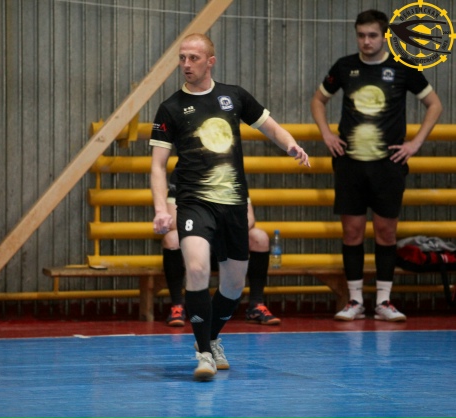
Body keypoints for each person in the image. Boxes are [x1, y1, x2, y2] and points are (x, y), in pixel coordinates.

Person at [150, 33, 310, 380]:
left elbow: (271, 128)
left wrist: (291, 145)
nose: (186, 64)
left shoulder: (233, 97)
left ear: (210, 61)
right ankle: (204, 353)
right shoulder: (170, 108)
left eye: (194, 58)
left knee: (234, 286)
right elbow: (158, 166)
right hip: (194, 202)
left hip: (233, 203)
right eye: (182, 58)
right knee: (196, 268)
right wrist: (161, 209)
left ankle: (211, 337)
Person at [310, 10, 442, 322]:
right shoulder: (345, 67)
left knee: (386, 232)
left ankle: (384, 301)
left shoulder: (403, 67)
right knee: (352, 232)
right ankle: (355, 301)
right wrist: (327, 134)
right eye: (361, 35)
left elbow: (434, 105)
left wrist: (415, 144)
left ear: (384, 37)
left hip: (388, 164)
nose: (366, 41)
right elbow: (318, 101)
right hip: (350, 164)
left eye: (372, 35)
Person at [163, 170, 280, 327]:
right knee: (172, 239)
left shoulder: (232, 170)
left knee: (260, 238)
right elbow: (173, 220)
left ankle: (256, 305)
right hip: (196, 243)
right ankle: (177, 306)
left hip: (227, 243)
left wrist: (226, 233)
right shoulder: (182, 171)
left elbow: (249, 218)